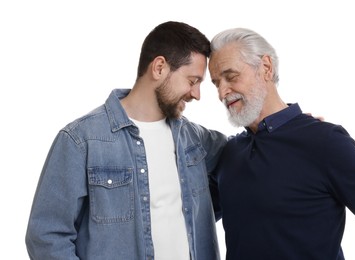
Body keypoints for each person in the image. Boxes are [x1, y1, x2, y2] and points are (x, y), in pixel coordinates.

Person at [25, 21, 227, 260]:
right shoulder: (81, 140)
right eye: (192, 81)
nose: (197, 94)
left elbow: (241, 160)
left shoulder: (195, 139)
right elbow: (46, 236)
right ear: (159, 67)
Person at [208, 27, 355, 259]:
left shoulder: (324, 141)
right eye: (216, 83)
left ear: (265, 67)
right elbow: (185, 217)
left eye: (231, 77)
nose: (223, 92)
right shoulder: (229, 153)